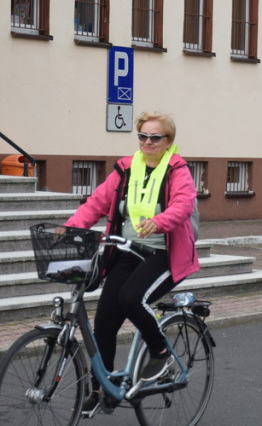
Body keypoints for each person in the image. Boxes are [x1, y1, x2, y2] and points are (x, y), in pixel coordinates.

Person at [64, 112, 199, 409]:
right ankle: (103, 389)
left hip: (165, 254)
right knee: (105, 322)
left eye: (155, 137)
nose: (148, 142)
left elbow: (184, 204)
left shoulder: (177, 170)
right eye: (143, 136)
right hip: (127, 250)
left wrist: (160, 221)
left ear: (168, 141)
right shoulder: (125, 169)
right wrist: (71, 227)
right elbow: (97, 202)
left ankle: (160, 352)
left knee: (132, 298)